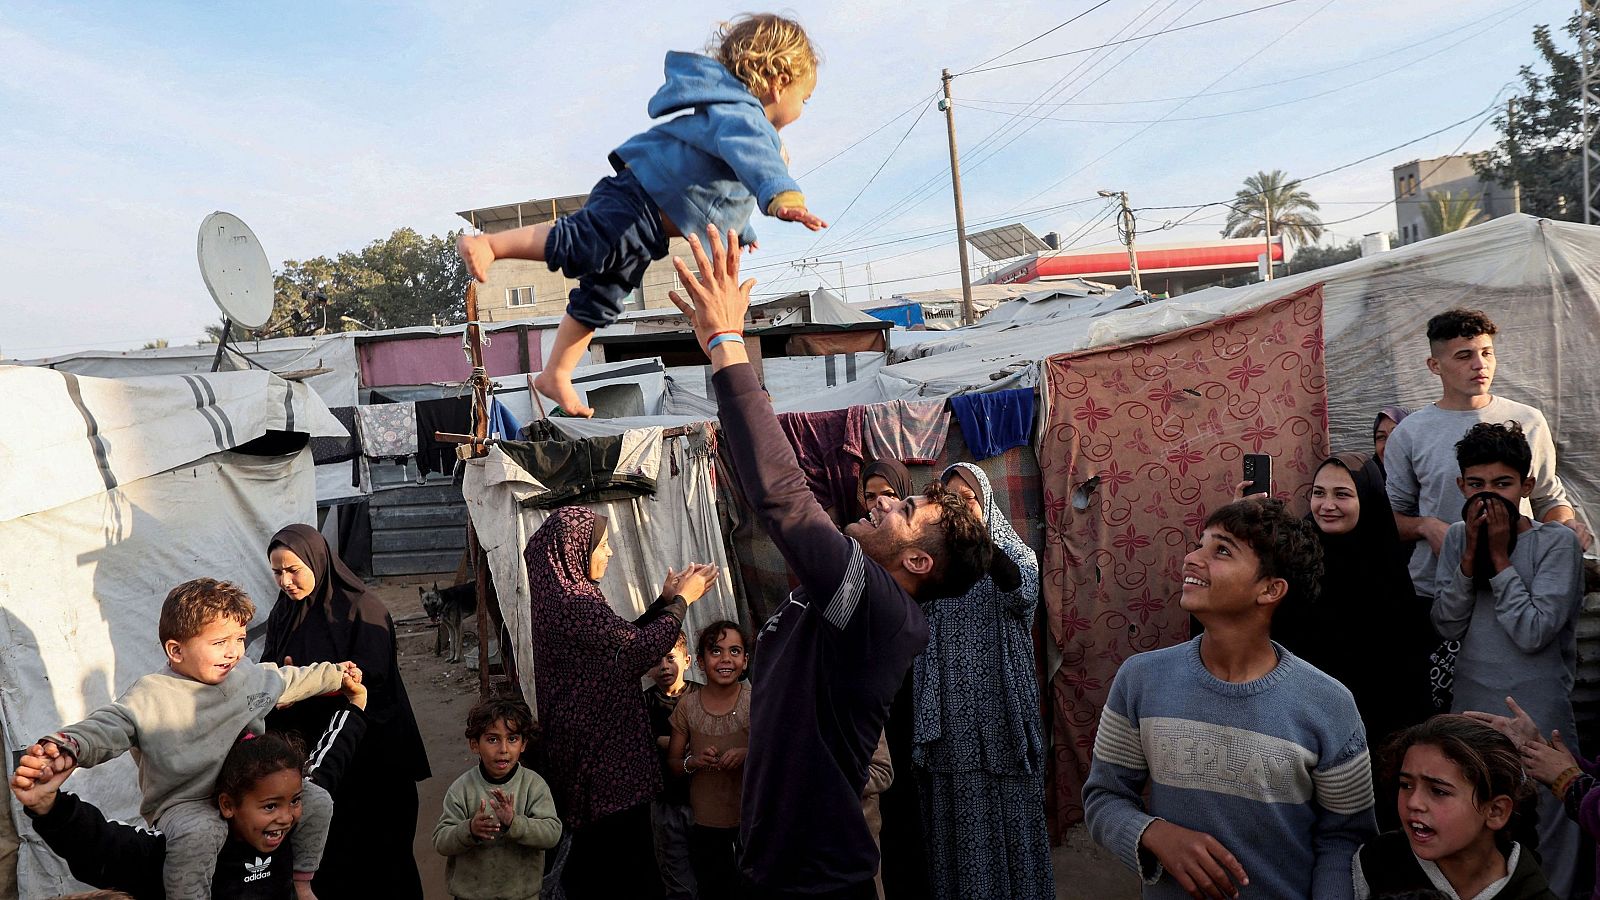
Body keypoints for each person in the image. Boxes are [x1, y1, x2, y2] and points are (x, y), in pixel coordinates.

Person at [667, 225, 992, 900]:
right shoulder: (866, 599)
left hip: (815, 878)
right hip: (784, 862)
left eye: (903, 511)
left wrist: (727, 345)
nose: (883, 504)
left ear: (916, 562)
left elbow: (783, 498)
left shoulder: (878, 606)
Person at [456, 13, 826, 417]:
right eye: (804, 98)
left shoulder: (733, 119)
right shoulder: (745, 118)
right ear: (778, 82)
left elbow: (722, 194)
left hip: (647, 231)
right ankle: (490, 243)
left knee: (602, 298)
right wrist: (783, 197)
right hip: (636, 202)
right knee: (584, 242)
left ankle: (556, 374)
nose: (802, 109)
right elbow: (760, 166)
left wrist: (745, 228)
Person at [1083, 499, 1376, 899]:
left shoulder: (1328, 705)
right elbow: (1104, 797)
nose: (1192, 558)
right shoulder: (1141, 680)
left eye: (1221, 551)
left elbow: (1345, 838)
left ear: (1270, 590)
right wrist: (1153, 833)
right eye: (1200, 544)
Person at [17, 578, 349, 900]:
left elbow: (287, 679)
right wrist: (69, 744)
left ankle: (302, 883)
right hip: (187, 802)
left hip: (249, 791)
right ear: (176, 650)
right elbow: (110, 724)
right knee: (201, 835)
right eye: (220, 642)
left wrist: (337, 674)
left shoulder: (246, 675)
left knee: (317, 801)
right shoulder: (153, 695)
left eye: (240, 639)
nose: (234, 652)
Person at [1385, 308, 1590, 711]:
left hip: (1520, 588)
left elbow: (1550, 500)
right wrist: (1428, 526)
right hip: (1439, 592)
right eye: (1464, 355)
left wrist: (1566, 534)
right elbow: (1388, 518)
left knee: (1526, 706)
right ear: (1434, 364)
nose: (1480, 365)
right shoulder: (1410, 432)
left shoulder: (1527, 421)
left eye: (1487, 353)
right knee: (1452, 714)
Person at [13, 669, 370, 899]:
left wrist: (355, 707)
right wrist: (49, 807)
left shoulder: (294, 818)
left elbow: (330, 759)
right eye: (269, 807)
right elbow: (105, 848)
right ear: (229, 804)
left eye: (292, 801)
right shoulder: (186, 846)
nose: (285, 817)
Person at [523, 505, 718, 899]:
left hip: (589, 756)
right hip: (604, 765)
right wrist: (683, 601)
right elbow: (634, 654)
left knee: (602, 865)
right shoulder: (577, 603)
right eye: (603, 545)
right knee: (621, 869)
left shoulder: (564, 599)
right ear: (574, 548)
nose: (609, 552)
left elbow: (619, 645)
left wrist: (664, 603)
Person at [1433, 421, 1585, 899]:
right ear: (1460, 486)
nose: (1488, 496)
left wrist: (1499, 560)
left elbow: (1534, 630)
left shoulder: (1556, 543)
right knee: (1475, 810)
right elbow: (1447, 624)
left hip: (1539, 710)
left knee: (1555, 818)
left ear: (1526, 486)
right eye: (1476, 484)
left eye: (1502, 484)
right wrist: (1469, 557)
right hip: (1474, 706)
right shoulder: (1459, 537)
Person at [262, 523, 430, 900]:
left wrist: (310, 685)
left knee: (382, 859)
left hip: (372, 758)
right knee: (330, 858)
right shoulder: (284, 613)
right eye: (277, 572)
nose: (286, 581)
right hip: (321, 761)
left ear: (317, 563)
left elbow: (372, 675)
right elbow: (270, 668)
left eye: (293, 570)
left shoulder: (363, 609)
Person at [912, 462, 1053, 899]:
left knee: (1012, 810)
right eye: (949, 502)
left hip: (1003, 719)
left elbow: (1022, 592)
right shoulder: (935, 568)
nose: (959, 509)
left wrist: (978, 540)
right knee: (959, 815)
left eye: (967, 499)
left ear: (986, 502)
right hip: (951, 723)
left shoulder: (1015, 559)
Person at [1272, 452, 1433, 827]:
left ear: (1369, 498)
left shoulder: (1386, 571)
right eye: (1318, 493)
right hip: (1299, 729)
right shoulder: (1291, 562)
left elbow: (1407, 672)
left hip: (1371, 735)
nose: (1327, 505)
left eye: (1342, 494)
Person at [1352, 715, 1556, 900]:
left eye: (1438, 791)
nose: (1413, 802)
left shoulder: (1530, 892)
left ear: (1496, 811)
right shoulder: (1375, 866)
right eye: (1406, 785)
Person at [855, 459, 930, 900]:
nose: (879, 502)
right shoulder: (857, 551)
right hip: (873, 702)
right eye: (869, 495)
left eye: (890, 494)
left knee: (904, 803)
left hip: (911, 694)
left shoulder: (919, 555)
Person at [433, 696, 562, 900]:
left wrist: (514, 823)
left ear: (523, 744)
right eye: (492, 739)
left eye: (512, 739)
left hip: (522, 895)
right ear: (475, 744)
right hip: (471, 895)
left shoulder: (533, 786)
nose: (503, 749)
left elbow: (552, 834)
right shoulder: (462, 789)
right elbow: (441, 841)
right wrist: (470, 830)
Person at [668, 620, 753, 900]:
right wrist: (692, 762)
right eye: (716, 651)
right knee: (716, 888)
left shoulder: (757, 701)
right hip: (706, 823)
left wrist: (747, 754)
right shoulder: (688, 706)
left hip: (752, 820)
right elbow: (673, 764)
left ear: (745, 660)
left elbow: (778, 755)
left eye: (735, 651)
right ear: (701, 662)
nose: (726, 659)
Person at [644, 638, 696, 900]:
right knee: (678, 883)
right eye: (656, 660)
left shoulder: (702, 696)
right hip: (667, 803)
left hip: (708, 802)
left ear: (687, 661)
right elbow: (638, 743)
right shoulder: (644, 704)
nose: (664, 666)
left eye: (670, 658)